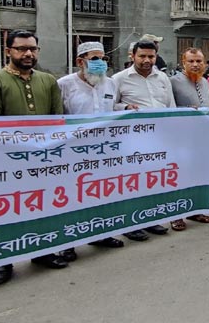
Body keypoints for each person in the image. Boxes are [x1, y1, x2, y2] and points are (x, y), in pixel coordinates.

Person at [0, 30, 68, 286]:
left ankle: (42, 252)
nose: (28, 53)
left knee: (43, 206)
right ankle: (2, 261)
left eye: (33, 48)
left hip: (43, 159)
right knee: (6, 211)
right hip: (6, 162)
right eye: (21, 49)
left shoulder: (48, 80)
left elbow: (56, 120)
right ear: (9, 51)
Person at [56, 41, 125, 258]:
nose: (101, 64)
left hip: (104, 151)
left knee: (101, 193)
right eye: (95, 59)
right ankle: (68, 242)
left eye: (103, 59)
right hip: (73, 153)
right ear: (80, 61)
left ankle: (100, 233)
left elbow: (112, 108)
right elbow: (56, 116)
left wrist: (125, 108)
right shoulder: (64, 85)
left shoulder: (111, 84)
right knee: (71, 197)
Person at [112, 40, 175, 237]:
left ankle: (150, 218)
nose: (147, 60)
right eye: (142, 56)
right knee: (131, 182)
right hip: (132, 140)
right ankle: (129, 224)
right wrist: (124, 108)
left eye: (151, 56)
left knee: (152, 180)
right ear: (132, 56)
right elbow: (110, 106)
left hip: (159, 138)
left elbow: (170, 106)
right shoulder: (119, 79)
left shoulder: (163, 77)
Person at [169, 48, 209, 228]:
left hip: (203, 136)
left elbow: (204, 104)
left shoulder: (205, 82)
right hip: (182, 137)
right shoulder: (173, 82)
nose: (196, 65)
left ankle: (196, 210)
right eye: (191, 61)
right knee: (181, 175)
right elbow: (169, 108)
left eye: (199, 61)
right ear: (183, 62)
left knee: (199, 174)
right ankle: (176, 214)